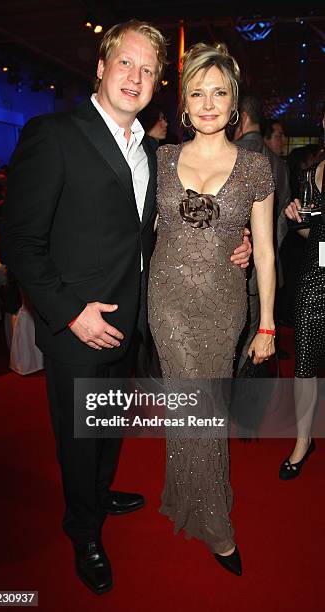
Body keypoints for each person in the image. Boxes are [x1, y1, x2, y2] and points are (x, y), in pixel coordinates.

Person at [0, 21, 251, 595]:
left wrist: (239, 243)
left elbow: (177, 224)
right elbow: (19, 242)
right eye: (125, 63)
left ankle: (100, 492)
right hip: (77, 328)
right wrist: (68, 313)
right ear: (101, 67)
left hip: (135, 321)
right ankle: (81, 528)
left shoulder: (155, 153)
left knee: (108, 428)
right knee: (78, 437)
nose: (135, 76)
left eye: (147, 69)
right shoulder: (54, 133)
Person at [148, 42, 276, 576]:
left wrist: (267, 322)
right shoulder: (161, 159)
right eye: (197, 92)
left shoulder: (255, 167)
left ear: (233, 101)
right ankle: (216, 528)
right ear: (184, 103)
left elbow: (265, 250)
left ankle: (186, 495)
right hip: (168, 302)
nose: (207, 102)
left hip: (224, 306)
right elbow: (148, 230)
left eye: (218, 92)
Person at [279, 105, 325, 480]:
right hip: (316, 276)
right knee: (305, 365)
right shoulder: (312, 173)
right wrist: (297, 217)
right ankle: (302, 440)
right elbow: (313, 233)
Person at [234, 93, 291, 370]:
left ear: (241, 118)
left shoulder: (227, 153)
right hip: (260, 278)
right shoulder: (278, 162)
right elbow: (281, 224)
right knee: (249, 346)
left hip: (225, 273)